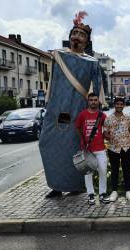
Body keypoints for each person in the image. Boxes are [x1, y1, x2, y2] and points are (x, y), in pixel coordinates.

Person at [39, 11, 105, 198]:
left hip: (78, 109)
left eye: (81, 34)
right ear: (69, 37)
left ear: (87, 41)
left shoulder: (92, 63)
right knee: (47, 143)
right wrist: (49, 101)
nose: (77, 36)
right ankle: (56, 185)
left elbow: (98, 88)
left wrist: (96, 109)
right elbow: (51, 81)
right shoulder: (58, 55)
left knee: (75, 147)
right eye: (74, 33)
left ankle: (76, 185)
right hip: (56, 109)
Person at [75, 93, 109, 205]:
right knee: (88, 172)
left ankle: (102, 193)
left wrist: (106, 135)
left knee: (103, 170)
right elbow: (78, 127)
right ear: (88, 101)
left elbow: (106, 128)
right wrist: (82, 140)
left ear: (98, 101)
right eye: (91, 100)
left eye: (95, 100)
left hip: (100, 148)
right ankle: (90, 194)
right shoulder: (82, 114)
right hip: (87, 149)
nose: (93, 102)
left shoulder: (102, 115)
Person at [104, 97, 130, 202]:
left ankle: (128, 191)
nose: (119, 106)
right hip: (113, 148)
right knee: (114, 170)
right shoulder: (109, 118)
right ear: (114, 105)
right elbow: (105, 133)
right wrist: (110, 138)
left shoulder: (128, 118)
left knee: (126, 169)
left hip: (126, 147)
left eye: (121, 104)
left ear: (124, 105)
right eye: (117, 104)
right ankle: (114, 191)